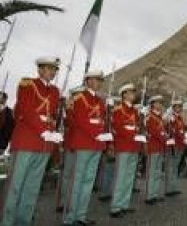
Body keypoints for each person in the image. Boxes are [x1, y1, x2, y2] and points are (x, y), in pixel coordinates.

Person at [1, 57, 61, 226]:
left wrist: (52, 133)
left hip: (44, 144)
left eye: (54, 69)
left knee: (32, 187)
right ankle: (6, 221)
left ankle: (23, 221)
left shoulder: (55, 91)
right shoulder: (27, 84)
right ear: (40, 70)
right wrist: (44, 131)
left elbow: (52, 116)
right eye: (49, 68)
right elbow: (26, 111)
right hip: (27, 141)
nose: (52, 72)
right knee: (15, 186)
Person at [63, 70, 110, 226]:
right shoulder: (79, 98)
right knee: (77, 181)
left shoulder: (100, 101)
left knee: (88, 182)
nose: (99, 83)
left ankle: (80, 216)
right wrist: (98, 133)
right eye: (96, 80)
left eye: (100, 80)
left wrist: (103, 136)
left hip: (96, 145)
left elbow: (101, 121)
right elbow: (81, 121)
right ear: (88, 81)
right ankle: (69, 217)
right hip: (83, 143)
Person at [109, 83, 142, 218]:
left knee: (128, 178)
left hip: (133, 147)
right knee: (120, 177)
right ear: (124, 95)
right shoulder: (118, 110)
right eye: (131, 92)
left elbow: (138, 126)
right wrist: (133, 132)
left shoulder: (135, 111)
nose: (134, 95)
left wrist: (137, 131)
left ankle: (124, 204)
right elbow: (118, 128)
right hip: (123, 146)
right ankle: (115, 207)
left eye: (134, 92)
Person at [144, 95, 167, 205]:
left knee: (158, 172)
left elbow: (162, 132)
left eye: (161, 103)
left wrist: (164, 135)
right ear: (152, 104)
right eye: (157, 103)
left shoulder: (160, 118)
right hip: (153, 147)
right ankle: (149, 195)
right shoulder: (150, 117)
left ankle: (155, 194)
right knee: (152, 172)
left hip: (160, 147)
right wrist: (165, 136)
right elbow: (154, 132)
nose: (160, 105)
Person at [165, 99, 187, 197]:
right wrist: (169, 120)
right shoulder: (171, 117)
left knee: (175, 168)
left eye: (180, 107)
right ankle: (169, 189)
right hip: (173, 145)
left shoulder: (181, 118)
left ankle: (173, 187)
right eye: (177, 106)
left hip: (180, 145)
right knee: (170, 167)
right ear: (173, 108)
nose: (179, 108)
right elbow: (168, 128)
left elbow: (183, 130)